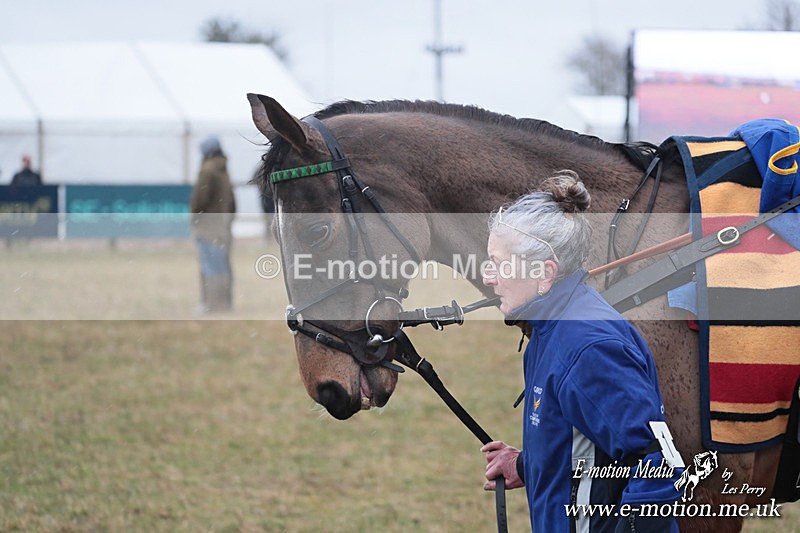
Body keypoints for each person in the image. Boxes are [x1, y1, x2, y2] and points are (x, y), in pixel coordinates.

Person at [480, 170, 682, 532]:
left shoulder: (590, 348)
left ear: (545, 274)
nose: (488, 277)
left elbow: (659, 467)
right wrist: (528, 464)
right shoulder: (548, 329)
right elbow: (589, 444)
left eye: (499, 263)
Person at [190, 135, 236, 313]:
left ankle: (212, 305)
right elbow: (232, 202)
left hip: (208, 228)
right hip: (223, 228)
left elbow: (198, 201)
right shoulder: (223, 169)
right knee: (222, 266)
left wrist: (195, 220)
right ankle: (225, 303)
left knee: (210, 266)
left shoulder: (207, 171)